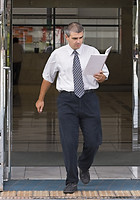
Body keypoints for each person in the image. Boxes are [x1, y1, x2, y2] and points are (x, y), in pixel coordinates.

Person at [35, 22, 109, 194]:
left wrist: (101, 77)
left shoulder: (91, 51)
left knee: (94, 141)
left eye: (81, 38)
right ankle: (71, 181)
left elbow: (104, 74)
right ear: (66, 37)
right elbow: (48, 77)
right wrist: (41, 99)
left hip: (89, 98)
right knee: (69, 142)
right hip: (67, 100)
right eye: (75, 38)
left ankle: (83, 165)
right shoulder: (57, 55)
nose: (78, 42)